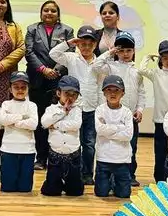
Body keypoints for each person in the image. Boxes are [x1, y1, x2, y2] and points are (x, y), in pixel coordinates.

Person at [90, 31, 146, 187]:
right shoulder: (110, 67)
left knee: (131, 146)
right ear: (116, 51)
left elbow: (141, 92)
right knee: (108, 143)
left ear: (134, 51)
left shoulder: (137, 71)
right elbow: (96, 66)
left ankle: (129, 175)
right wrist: (110, 52)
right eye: (121, 50)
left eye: (129, 50)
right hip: (110, 114)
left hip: (130, 116)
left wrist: (140, 109)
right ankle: (107, 175)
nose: (125, 54)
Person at [25, 0, 74, 170]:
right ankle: (40, 157)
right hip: (37, 80)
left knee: (57, 118)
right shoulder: (32, 29)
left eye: (53, 11)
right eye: (46, 10)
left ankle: (55, 156)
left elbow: (70, 52)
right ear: (41, 13)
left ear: (58, 14)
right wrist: (43, 69)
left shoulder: (67, 30)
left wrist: (56, 70)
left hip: (57, 80)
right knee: (40, 120)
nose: (49, 13)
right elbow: (29, 52)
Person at [50, 25, 100, 185]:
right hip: (73, 108)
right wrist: (68, 43)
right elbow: (53, 54)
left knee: (89, 143)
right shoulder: (71, 58)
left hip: (92, 109)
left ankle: (87, 174)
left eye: (90, 44)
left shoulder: (99, 63)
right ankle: (73, 172)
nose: (86, 47)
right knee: (74, 141)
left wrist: (100, 107)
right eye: (83, 43)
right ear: (78, 43)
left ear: (95, 45)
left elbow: (100, 86)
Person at [139, 40, 168, 182]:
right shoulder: (156, 74)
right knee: (160, 152)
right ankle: (159, 179)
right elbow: (141, 70)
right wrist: (147, 57)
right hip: (160, 120)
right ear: (160, 60)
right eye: (164, 58)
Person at [39, 76, 84, 196]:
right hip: (55, 153)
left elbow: (75, 125)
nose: (70, 97)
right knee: (51, 191)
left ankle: (71, 184)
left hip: (73, 154)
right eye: (66, 93)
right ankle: (54, 184)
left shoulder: (77, 110)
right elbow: (44, 123)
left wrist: (55, 125)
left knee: (75, 191)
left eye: (74, 95)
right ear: (58, 93)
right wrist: (63, 112)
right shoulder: (51, 109)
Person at [0, 71, 38, 193]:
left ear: (28, 89)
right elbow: (3, 120)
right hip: (8, 149)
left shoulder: (32, 105)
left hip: (27, 150)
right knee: (8, 188)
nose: (20, 90)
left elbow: (33, 124)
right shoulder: (6, 104)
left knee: (25, 189)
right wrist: (23, 117)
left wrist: (13, 122)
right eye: (16, 87)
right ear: (10, 89)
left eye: (23, 87)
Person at [94, 75, 134, 198]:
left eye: (116, 90)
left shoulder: (127, 112)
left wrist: (108, 129)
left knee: (124, 194)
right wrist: (120, 127)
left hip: (122, 159)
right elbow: (100, 130)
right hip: (103, 158)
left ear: (123, 93)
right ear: (104, 93)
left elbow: (128, 135)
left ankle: (114, 182)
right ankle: (109, 181)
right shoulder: (100, 110)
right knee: (101, 193)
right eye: (109, 90)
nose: (113, 93)